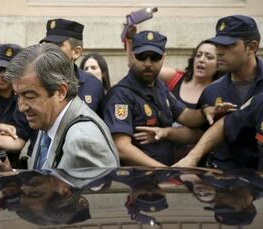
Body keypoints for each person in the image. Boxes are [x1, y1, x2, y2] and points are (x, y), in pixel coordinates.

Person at [102, 30, 231, 167]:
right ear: (132, 57)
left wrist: (205, 112)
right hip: (137, 181)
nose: (148, 63)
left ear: (163, 57)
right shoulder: (120, 95)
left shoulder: (160, 86)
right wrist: (164, 170)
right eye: (141, 56)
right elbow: (122, 148)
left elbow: (185, 115)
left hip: (163, 179)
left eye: (154, 57)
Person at [0, 43, 119, 169]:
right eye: (17, 96)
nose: (21, 107)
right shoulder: (48, 119)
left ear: (61, 92)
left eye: (29, 96)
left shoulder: (83, 141)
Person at [173, 15, 262, 169]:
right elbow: (201, 133)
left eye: (228, 45)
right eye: (218, 45)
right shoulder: (212, 91)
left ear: (252, 47)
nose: (219, 52)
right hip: (222, 181)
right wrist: (165, 133)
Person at [40, 18, 105, 112]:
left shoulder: (93, 85)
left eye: (57, 45)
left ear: (76, 52)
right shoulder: (36, 80)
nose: (50, 50)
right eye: (48, 45)